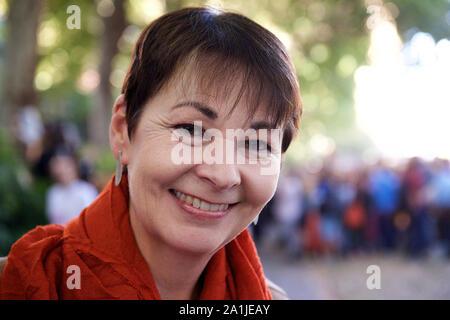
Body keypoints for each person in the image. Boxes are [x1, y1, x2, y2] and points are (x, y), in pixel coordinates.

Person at [0, 7, 301, 299]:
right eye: (191, 130)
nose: (223, 174)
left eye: (258, 144)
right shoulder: (24, 282)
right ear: (122, 130)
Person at [46, 151, 98, 226]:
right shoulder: (53, 192)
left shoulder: (86, 190)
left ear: (74, 166)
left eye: (65, 166)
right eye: (58, 167)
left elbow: (91, 218)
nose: (61, 170)